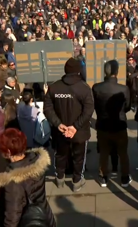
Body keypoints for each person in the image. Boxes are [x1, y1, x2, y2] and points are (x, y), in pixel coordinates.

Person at [44, 58, 94, 192]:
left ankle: (59, 178)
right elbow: (89, 110)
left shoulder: (54, 87)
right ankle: (77, 181)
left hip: (60, 130)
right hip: (79, 131)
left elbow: (47, 108)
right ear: (78, 71)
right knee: (79, 157)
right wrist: (75, 127)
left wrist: (58, 124)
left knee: (60, 154)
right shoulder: (84, 88)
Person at [0, 128, 56, 227]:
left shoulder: (12, 181)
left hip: (27, 223)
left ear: (9, 152)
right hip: (44, 217)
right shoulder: (36, 161)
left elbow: (12, 217)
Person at [92, 60, 132, 188]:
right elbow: (127, 107)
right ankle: (124, 177)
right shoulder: (124, 89)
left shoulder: (96, 87)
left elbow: (95, 106)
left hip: (103, 125)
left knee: (103, 152)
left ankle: (103, 177)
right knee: (123, 153)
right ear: (117, 72)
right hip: (119, 125)